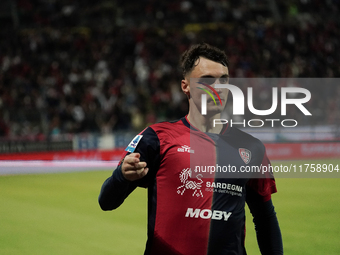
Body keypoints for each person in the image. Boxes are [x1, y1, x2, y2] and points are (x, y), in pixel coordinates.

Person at [98, 43, 283, 255]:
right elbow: (106, 202)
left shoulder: (250, 147)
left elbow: (265, 217)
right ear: (185, 86)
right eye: (207, 80)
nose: (218, 86)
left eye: (223, 79)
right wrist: (122, 176)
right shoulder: (156, 138)